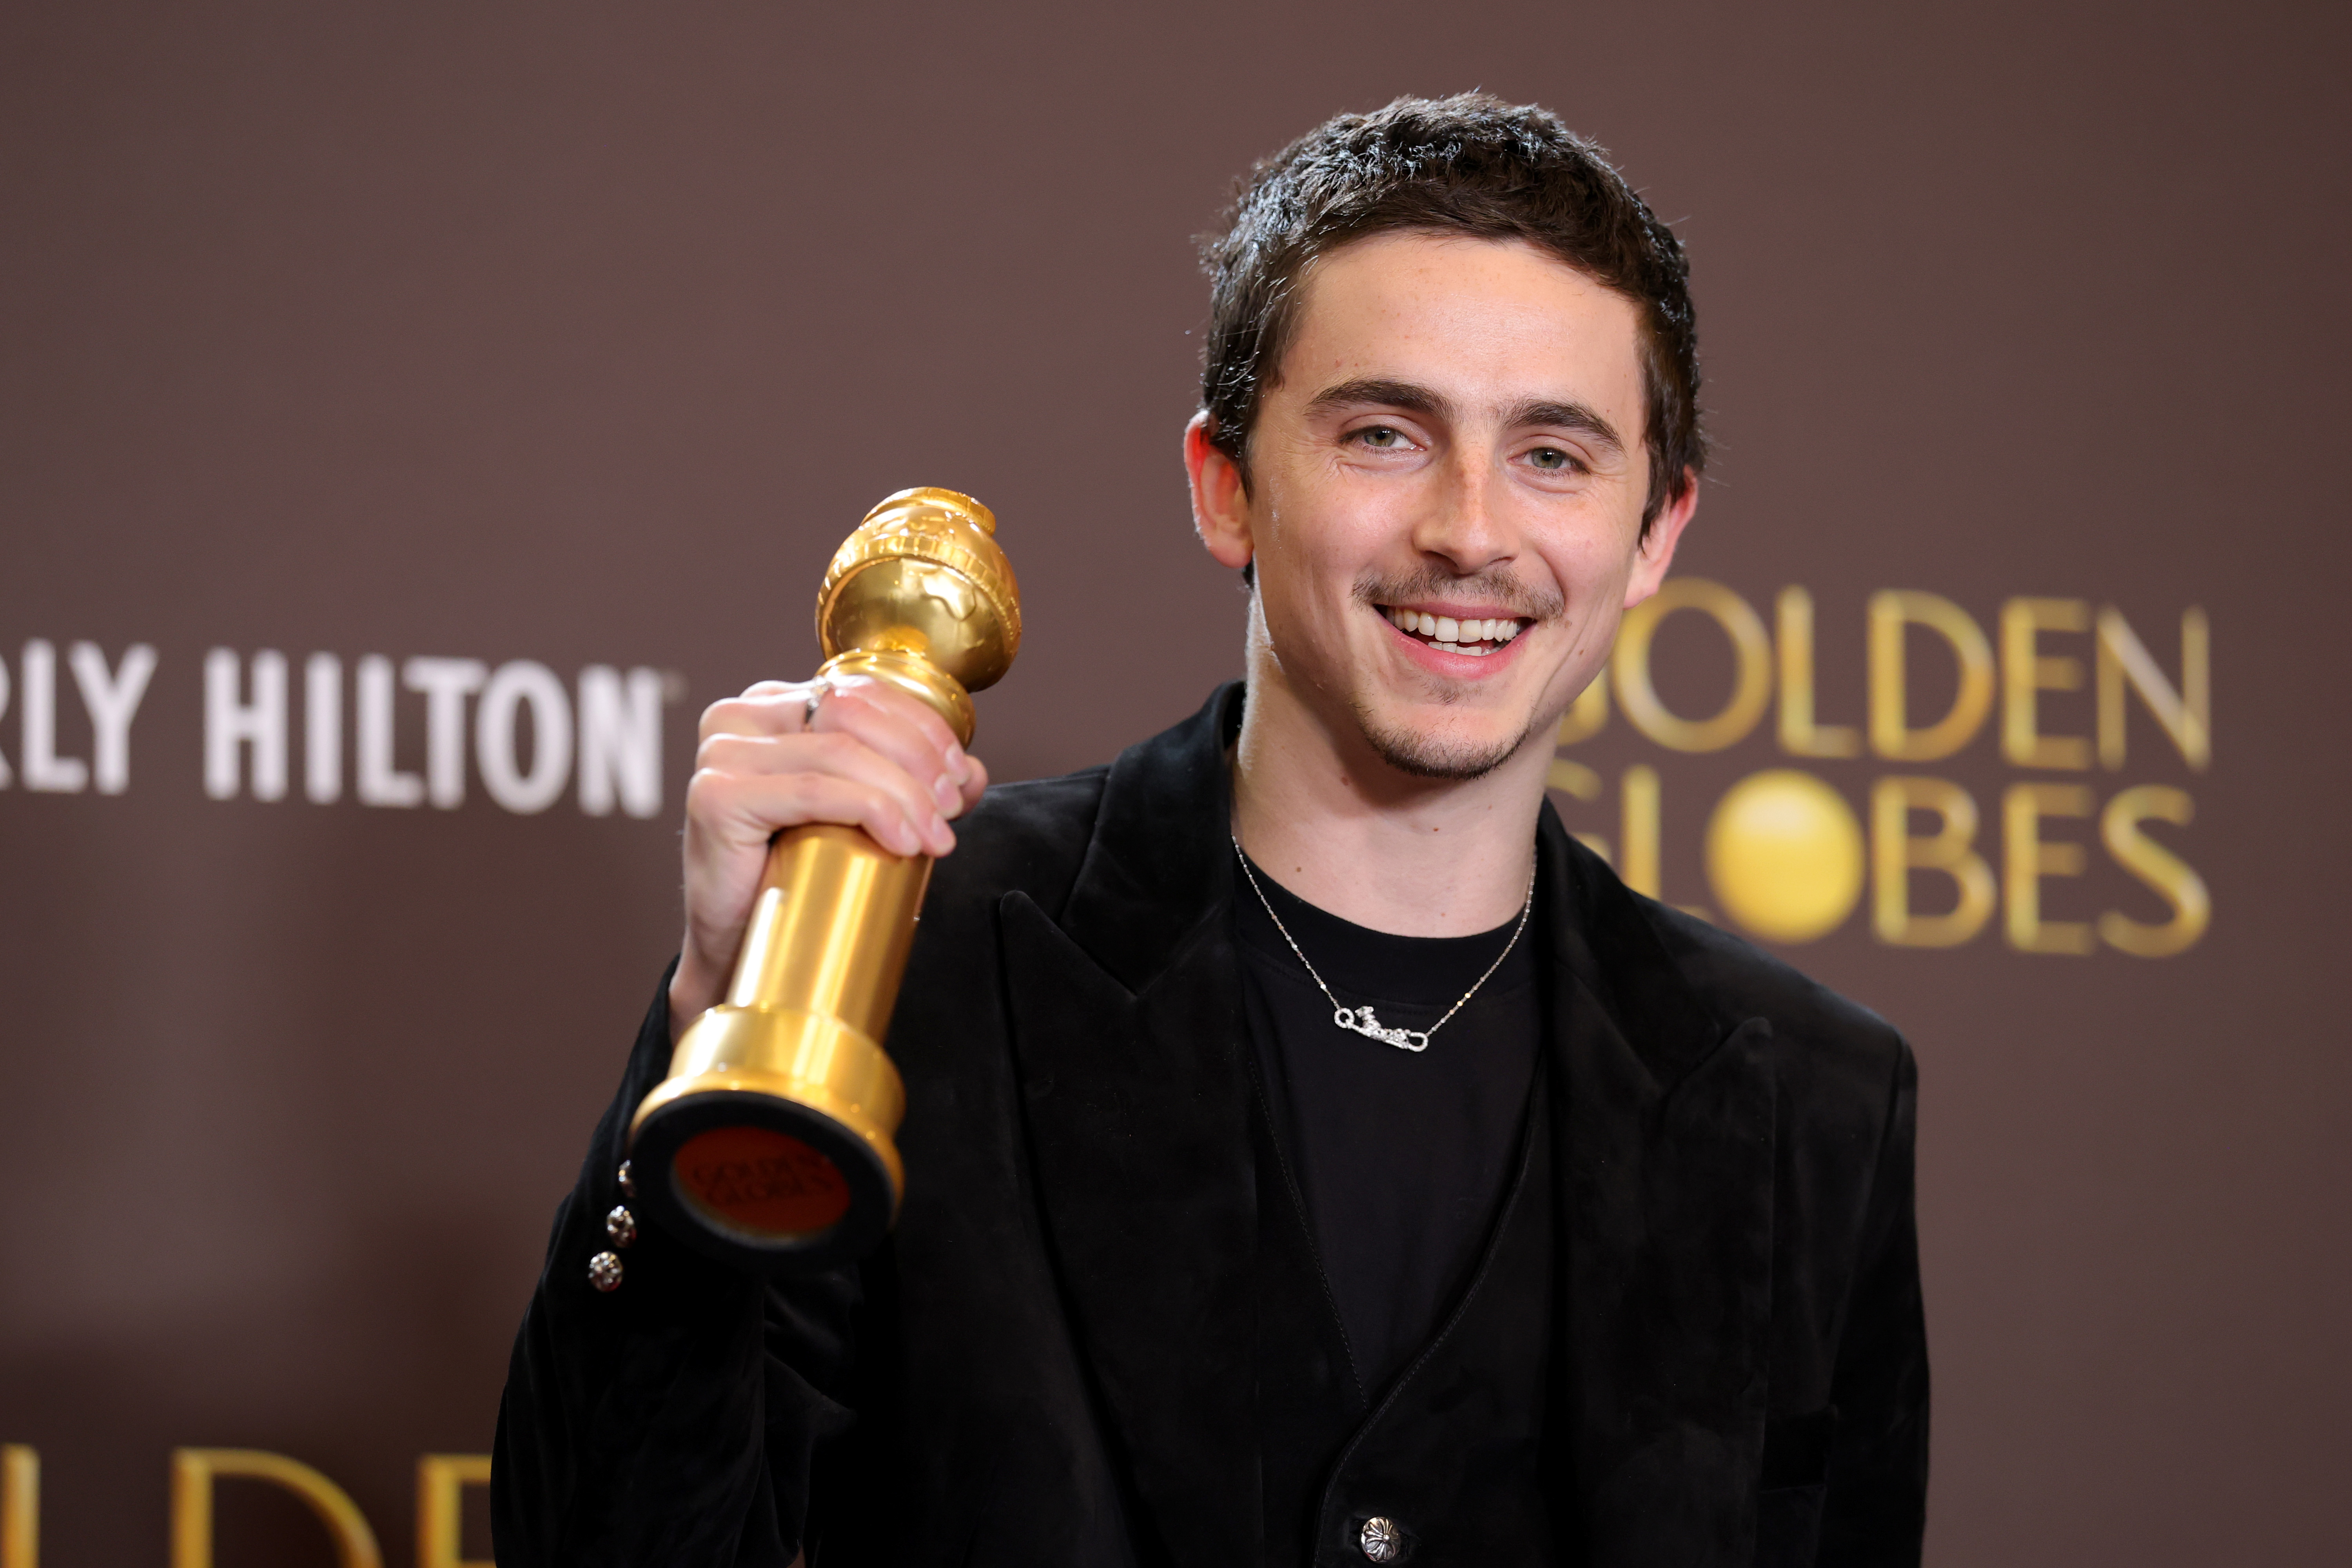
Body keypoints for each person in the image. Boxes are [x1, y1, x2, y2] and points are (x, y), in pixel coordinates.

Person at [492, 92, 1927, 1567]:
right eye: (1385, 434)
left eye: (1553, 455)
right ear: (1226, 486)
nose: (1471, 530)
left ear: (1657, 530)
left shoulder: (1812, 1103)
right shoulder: (908, 949)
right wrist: (714, 1028)